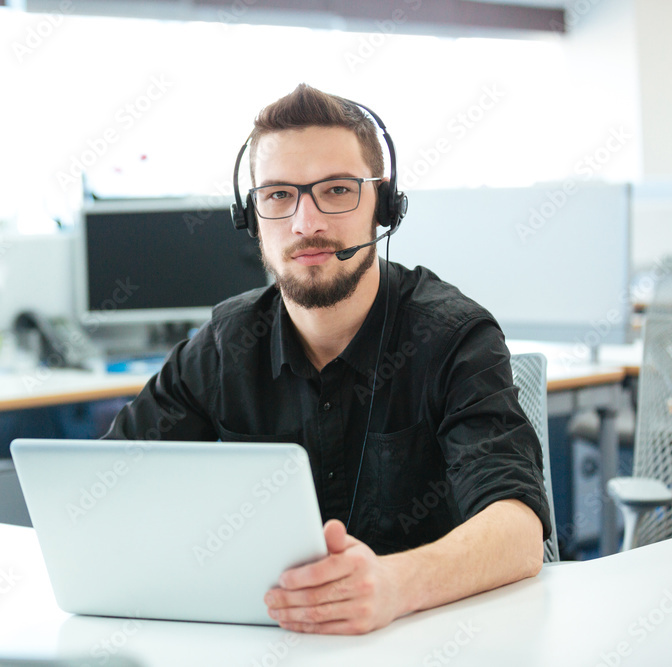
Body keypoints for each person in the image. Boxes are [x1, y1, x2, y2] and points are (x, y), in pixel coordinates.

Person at [102, 83, 551, 635]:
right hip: (272, 639)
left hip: (427, 642)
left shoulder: (453, 336)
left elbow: (519, 532)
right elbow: (106, 486)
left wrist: (394, 584)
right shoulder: (225, 345)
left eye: (336, 190)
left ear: (383, 206)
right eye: (278, 195)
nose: (305, 223)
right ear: (251, 218)